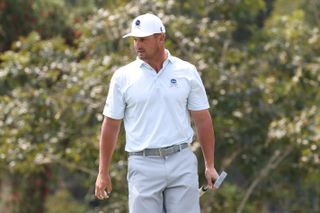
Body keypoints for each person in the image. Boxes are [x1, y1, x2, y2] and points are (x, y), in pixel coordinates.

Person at [95, 13, 219, 213]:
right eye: (135, 39)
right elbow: (111, 125)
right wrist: (103, 172)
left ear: (161, 38)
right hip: (142, 164)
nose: (137, 45)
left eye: (143, 39)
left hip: (181, 160)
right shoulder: (122, 77)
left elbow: (203, 119)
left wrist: (209, 164)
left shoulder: (187, 71)